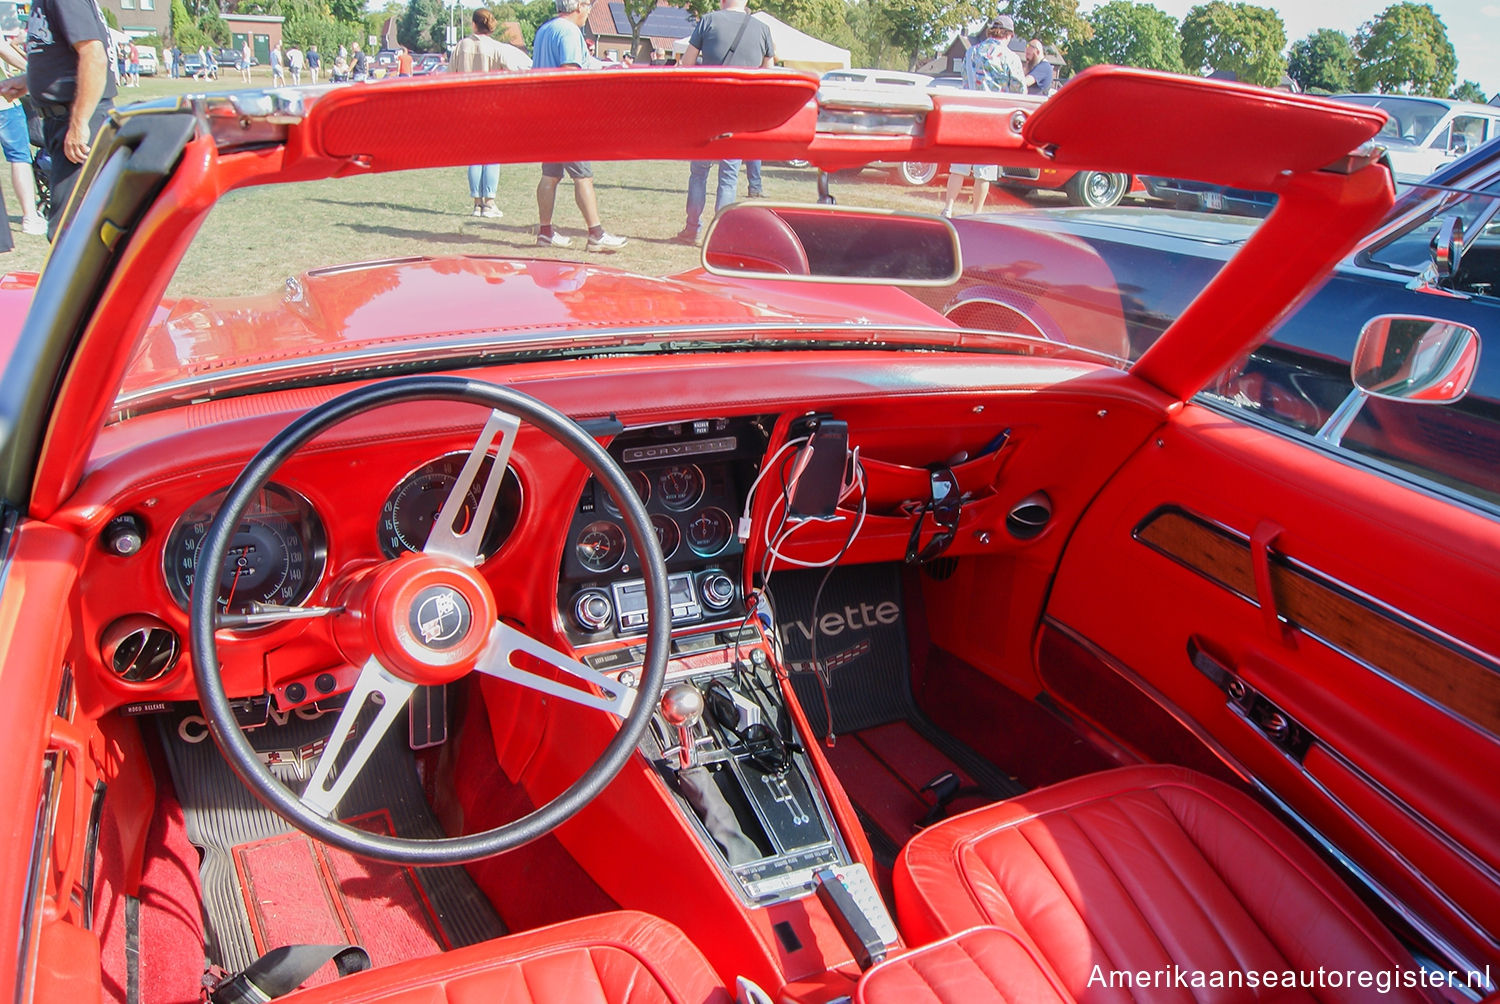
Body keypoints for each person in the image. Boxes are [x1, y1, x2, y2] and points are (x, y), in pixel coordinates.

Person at [0, 0, 117, 241]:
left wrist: (79, 123)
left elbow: (93, 54)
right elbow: (60, 54)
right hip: (62, 119)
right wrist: (27, 81)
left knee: (69, 232)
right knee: (70, 228)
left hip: (76, 118)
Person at [671, 0, 773, 244]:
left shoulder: (708, 21)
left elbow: (687, 64)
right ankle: (720, 235)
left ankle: (692, 228)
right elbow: (769, 74)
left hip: (708, 110)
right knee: (729, 175)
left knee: (698, 173)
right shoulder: (762, 29)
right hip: (740, 114)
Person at [531, 0, 627, 251]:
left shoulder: (545, 30)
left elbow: (578, 63)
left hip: (545, 114)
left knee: (550, 176)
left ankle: (545, 232)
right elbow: (570, 73)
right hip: (566, 117)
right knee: (583, 176)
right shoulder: (570, 31)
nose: (589, 11)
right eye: (588, 5)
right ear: (577, 7)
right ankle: (596, 234)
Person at [940, 15, 1023, 217]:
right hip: (994, 119)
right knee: (984, 171)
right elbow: (1019, 89)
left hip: (969, 113)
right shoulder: (1010, 57)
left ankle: (948, 208)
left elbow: (965, 82)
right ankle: (976, 213)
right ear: (1009, 34)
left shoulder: (971, 52)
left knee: (958, 167)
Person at [450, 8, 528, 219]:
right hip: (493, 108)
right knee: (492, 157)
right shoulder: (497, 48)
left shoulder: (461, 46)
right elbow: (516, 70)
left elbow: (450, 77)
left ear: (474, 24)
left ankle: (477, 204)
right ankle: (490, 202)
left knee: (474, 157)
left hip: (467, 108)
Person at [0, 36, 44, 235]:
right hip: (4, 102)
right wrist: (34, 72)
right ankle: (30, 217)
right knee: (19, 157)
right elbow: (4, 49)